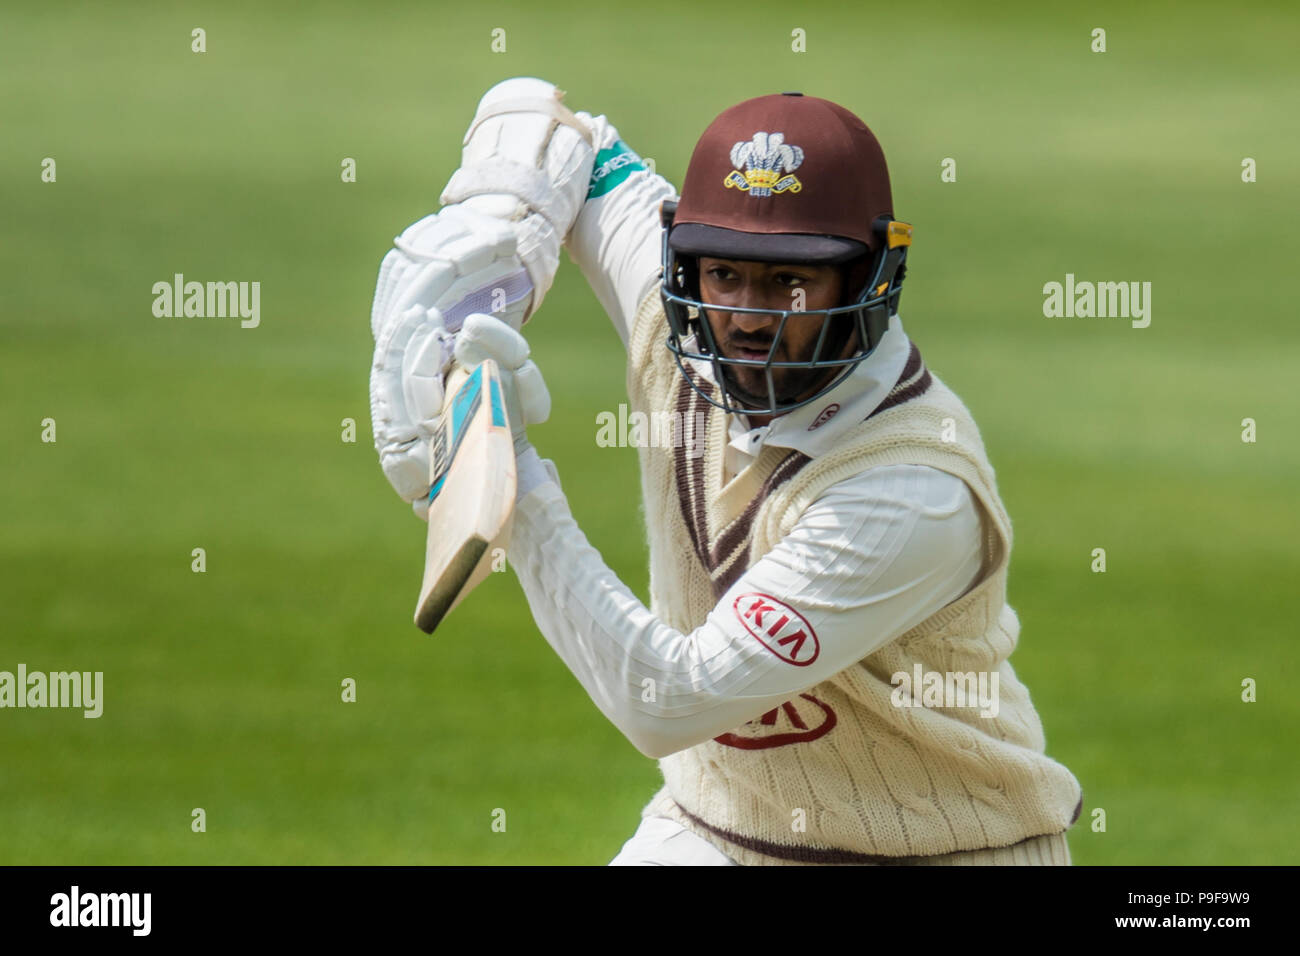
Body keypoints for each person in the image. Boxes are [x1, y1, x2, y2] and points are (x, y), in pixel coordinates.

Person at [368, 77, 1083, 865]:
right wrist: (491, 249)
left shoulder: (909, 492)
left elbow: (669, 703)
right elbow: (558, 128)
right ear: (688, 263)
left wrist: (516, 482)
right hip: (716, 831)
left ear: (870, 277)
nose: (746, 317)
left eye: (790, 281)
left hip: (941, 849)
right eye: (727, 275)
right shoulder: (680, 317)